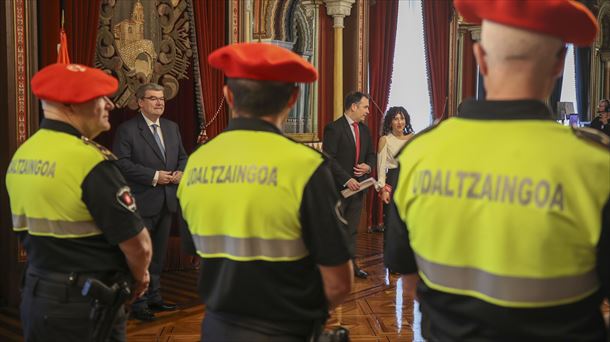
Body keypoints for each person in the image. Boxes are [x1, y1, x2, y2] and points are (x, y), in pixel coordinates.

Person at [385, 0, 610, 341]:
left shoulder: (421, 154)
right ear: (560, 65)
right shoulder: (595, 165)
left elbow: (409, 282)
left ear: (480, 59)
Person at [177, 43, 353, 341]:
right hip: (286, 330)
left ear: (228, 96)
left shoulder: (197, 162)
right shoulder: (305, 166)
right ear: (293, 99)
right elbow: (338, 282)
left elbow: (195, 253)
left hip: (216, 328)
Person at [5, 63, 152, 341]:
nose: (109, 104)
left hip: (38, 296)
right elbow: (138, 245)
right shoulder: (90, 161)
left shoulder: (24, 154)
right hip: (85, 305)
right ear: (70, 105)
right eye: (100, 98)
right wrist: (140, 277)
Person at [112, 83, 188, 321]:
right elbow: (121, 163)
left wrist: (180, 172)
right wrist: (155, 176)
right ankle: (138, 303)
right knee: (140, 255)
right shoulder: (127, 130)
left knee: (158, 256)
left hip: (167, 201)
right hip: (142, 202)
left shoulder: (172, 127)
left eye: (162, 99)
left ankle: (155, 298)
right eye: (153, 98)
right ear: (140, 102)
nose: (159, 103)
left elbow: (183, 156)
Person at [323, 91, 376, 279]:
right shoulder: (334, 128)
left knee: (352, 231)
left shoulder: (365, 130)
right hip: (338, 190)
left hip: (358, 190)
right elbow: (329, 159)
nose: (368, 111)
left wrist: (368, 166)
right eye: (365, 107)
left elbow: (372, 154)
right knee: (335, 232)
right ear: (353, 107)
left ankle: (352, 267)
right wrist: (347, 179)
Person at [377, 106, 414, 213]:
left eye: (402, 119)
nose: (399, 122)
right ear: (390, 122)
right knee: (393, 219)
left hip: (410, 181)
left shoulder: (413, 138)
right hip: (393, 181)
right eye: (396, 119)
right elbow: (381, 168)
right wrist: (383, 190)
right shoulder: (385, 140)